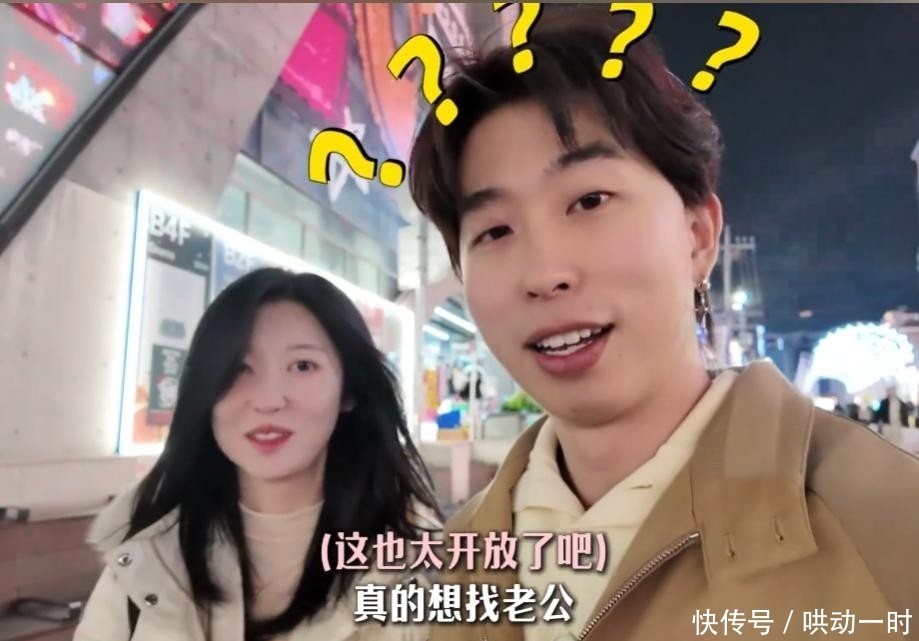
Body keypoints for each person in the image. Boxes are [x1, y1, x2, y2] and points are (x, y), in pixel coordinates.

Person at [408, 8, 919, 640]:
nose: (544, 273)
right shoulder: (458, 562)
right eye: (494, 231)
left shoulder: (889, 529)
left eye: (589, 201)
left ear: (698, 234)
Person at [75, 268, 439, 641]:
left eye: (303, 366)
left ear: (349, 391)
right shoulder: (148, 558)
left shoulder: (415, 569)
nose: (268, 400)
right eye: (239, 368)